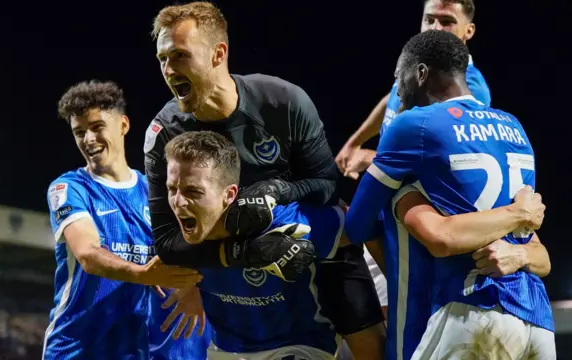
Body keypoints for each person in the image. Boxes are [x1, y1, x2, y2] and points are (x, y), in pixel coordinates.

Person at [145, 2, 385, 357]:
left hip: (308, 237)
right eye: (162, 58)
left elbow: (327, 187)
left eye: (179, 56)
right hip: (232, 265)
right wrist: (240, 252)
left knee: (370, 346)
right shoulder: (163, 132)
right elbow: (166, 240)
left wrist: (277, 191)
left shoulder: (283, 102)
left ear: (218, 53)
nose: (168, 69)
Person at [345, 30, 554, 359]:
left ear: (421, 73)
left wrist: (404, 203)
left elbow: (356, 224)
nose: (398, 93)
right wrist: (520, 219)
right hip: (538, 317)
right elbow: (532, 241)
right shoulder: (514, 126)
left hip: (474, 307)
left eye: (400, 80)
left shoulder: (414, 125)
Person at [43, 80, 209, 360]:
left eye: (97, 127)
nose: (88, 139)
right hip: (74, 349)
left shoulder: (155, 194)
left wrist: (190, 284)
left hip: (132, 349)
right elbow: (88, 254)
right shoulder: (68, 188)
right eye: (79, 132)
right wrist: (140, 274)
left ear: (123, 125)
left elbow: (180, 250)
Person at [164, 130, 358, 360]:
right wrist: (186, 285)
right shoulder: (174, 238)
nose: (178, 202)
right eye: (172, 189)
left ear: (229, 195)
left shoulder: (276, 222)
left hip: (298, 346)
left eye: (193, 191)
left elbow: (359, 224)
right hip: (225, 351)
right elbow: (150, 268)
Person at [336, 0, 490, 180]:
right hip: (390, 185)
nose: (435, 29)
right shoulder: (419, 66)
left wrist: (372, 158)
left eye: (447, 21)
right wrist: (354, 143)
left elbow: (443, 157)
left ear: (469, 30)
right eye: (429, 20)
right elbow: (392, 99)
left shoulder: (471, 90)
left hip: (421, 200)